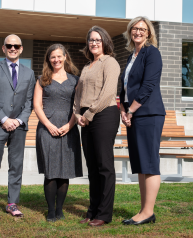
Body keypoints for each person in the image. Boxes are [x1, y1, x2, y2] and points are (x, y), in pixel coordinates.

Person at [0, 34, 36, 220]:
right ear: (3, 48)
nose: (12, 48)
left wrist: (19, 120)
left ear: (21, 48)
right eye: (9, 45)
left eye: (16, 45)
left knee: (16, 166)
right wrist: (4, 119)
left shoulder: (29, 73)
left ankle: (12, 203)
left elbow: (29, 101)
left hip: (19, 127)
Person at [120, 16, 166, 225]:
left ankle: (148, 212)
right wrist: (123, 109)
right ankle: (143, 210)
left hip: (148, 114)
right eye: (134, 29)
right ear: (130, 32)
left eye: (142, 29)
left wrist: (131, 110)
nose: (138, 32)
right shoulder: (131, 56)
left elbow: (148, 86)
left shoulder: (152, 53)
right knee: (140, 163)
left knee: (149, 162)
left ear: (148, 33)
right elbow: (125, 87)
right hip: (134, 114)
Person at [74, 26, 120, 227]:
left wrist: (90, 114)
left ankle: (104, 213)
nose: (94, 43)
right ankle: (92, 211)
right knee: (92, 167)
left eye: (98, 40)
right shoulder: (87, 66)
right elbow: (78, 93)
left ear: (105, 42)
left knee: (104, 166)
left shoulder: (109, 62)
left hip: (103, 115)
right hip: (85, 117)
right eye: (91, 40)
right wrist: (77, 114)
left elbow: (109, 92)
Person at [34, 44, 83, 222]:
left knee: (64, 171)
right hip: (47, 130)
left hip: (69, 130)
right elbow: (37, 106)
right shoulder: (41, 80)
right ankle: (50, 210)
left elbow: (78, 106)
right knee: (51, 171)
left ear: (65, 57)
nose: (56, 60)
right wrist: (48, 125)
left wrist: (70, 125)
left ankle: (60, 209)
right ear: (48, 59)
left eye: (59, 56)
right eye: (52, 57)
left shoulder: (75, 80)